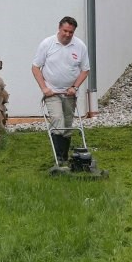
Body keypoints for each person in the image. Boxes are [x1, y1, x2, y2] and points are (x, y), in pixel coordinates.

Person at [31, 16, 90, 165]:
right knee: (57, 120)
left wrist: (75, 87)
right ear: (59, 28)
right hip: (52, 92)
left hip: (69, 93)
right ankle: (59, 159)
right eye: (65, 31)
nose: (67, 34)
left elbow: (85, 70)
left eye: (71, 32)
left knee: (68, 123)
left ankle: (65, 156)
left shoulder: (80, 46)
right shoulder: (47, 44)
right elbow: (35, 67)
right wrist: (44, 88)